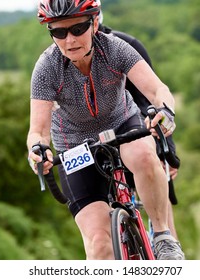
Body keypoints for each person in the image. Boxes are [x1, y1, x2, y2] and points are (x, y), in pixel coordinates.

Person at [27, 0, 184, 260]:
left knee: (144, 156)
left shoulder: (115, 48)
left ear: (95, 22)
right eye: (59, 32)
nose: (70, 40)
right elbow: (38, 132)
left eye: (78, 29)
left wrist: (165, 111)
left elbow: (157, 90)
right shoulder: (46, 68)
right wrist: (38, 151)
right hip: (75, 146)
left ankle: (163, 236)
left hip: (122, 125)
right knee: (100, 245)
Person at [97, 11, 181, 239]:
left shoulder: (126, 46)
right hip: (102, 137)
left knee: (160, 200)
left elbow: (154, 101)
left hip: (138, 126)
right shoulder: (65, 58)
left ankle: (168, 243)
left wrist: (167, 152)